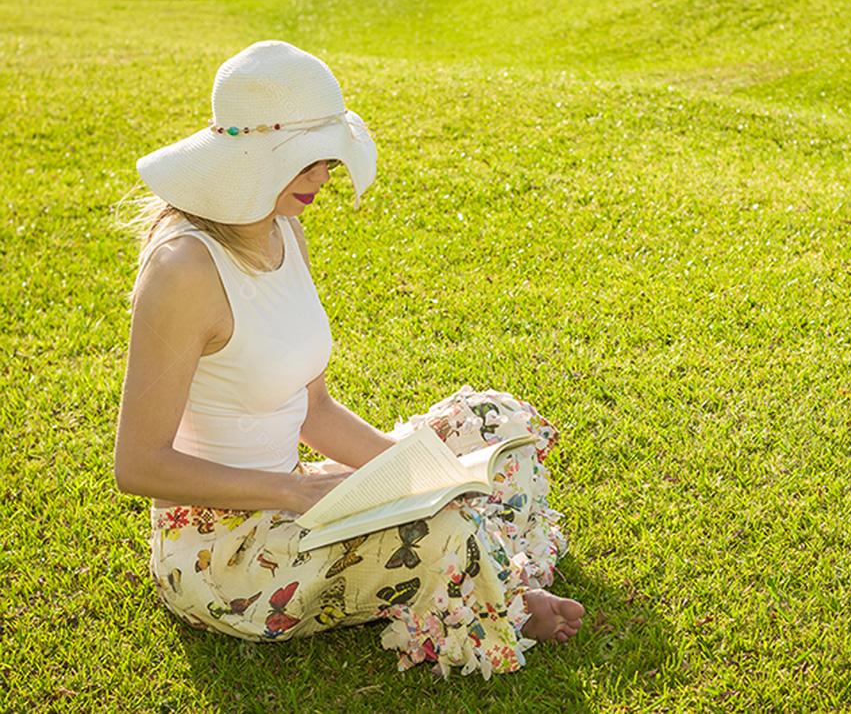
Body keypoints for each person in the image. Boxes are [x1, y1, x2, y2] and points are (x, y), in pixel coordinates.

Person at [112, 39, 584, 680]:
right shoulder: (183, 271)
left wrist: (423, 475)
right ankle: (495, 579)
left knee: (498, 423)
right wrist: (296, 490)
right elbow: (139, 464)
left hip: (302, 497)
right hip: (227, 554)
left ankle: (485, 563)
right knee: (445, 534)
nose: (324, 178)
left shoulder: (283, 229)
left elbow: (316, 410)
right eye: (307, 162)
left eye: (326, 160)